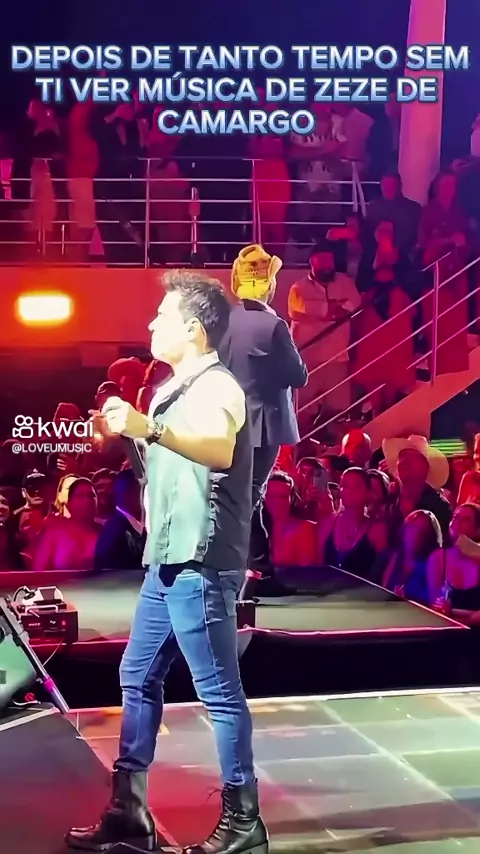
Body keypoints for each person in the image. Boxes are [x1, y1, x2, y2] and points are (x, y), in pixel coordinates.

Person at [66, 270, 267, 854]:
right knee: (136, 675)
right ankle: (129, 810)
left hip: (202, 557)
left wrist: (148, 427)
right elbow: (164, 469)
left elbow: (218, 451)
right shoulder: (167, 389)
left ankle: (244, 822)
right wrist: (127, 433)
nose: (152, 323)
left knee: (219, 691)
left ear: (194, 329)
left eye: (163, 316)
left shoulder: (219, 386)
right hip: (167, 557)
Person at [218, 244, 307, 599]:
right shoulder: (274, 325)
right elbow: (297, 376)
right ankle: (252, 570)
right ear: (269, 284)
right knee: (250, 497)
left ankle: (257, 568)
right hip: (264, 421)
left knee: (242, 495)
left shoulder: (225, 321)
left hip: (230, 420)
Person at [383, 434, 452, 545]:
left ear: (426, 467)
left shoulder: (440, 507)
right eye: (401, 456)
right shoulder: (387, 499)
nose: (404, 460)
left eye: (413, 457)